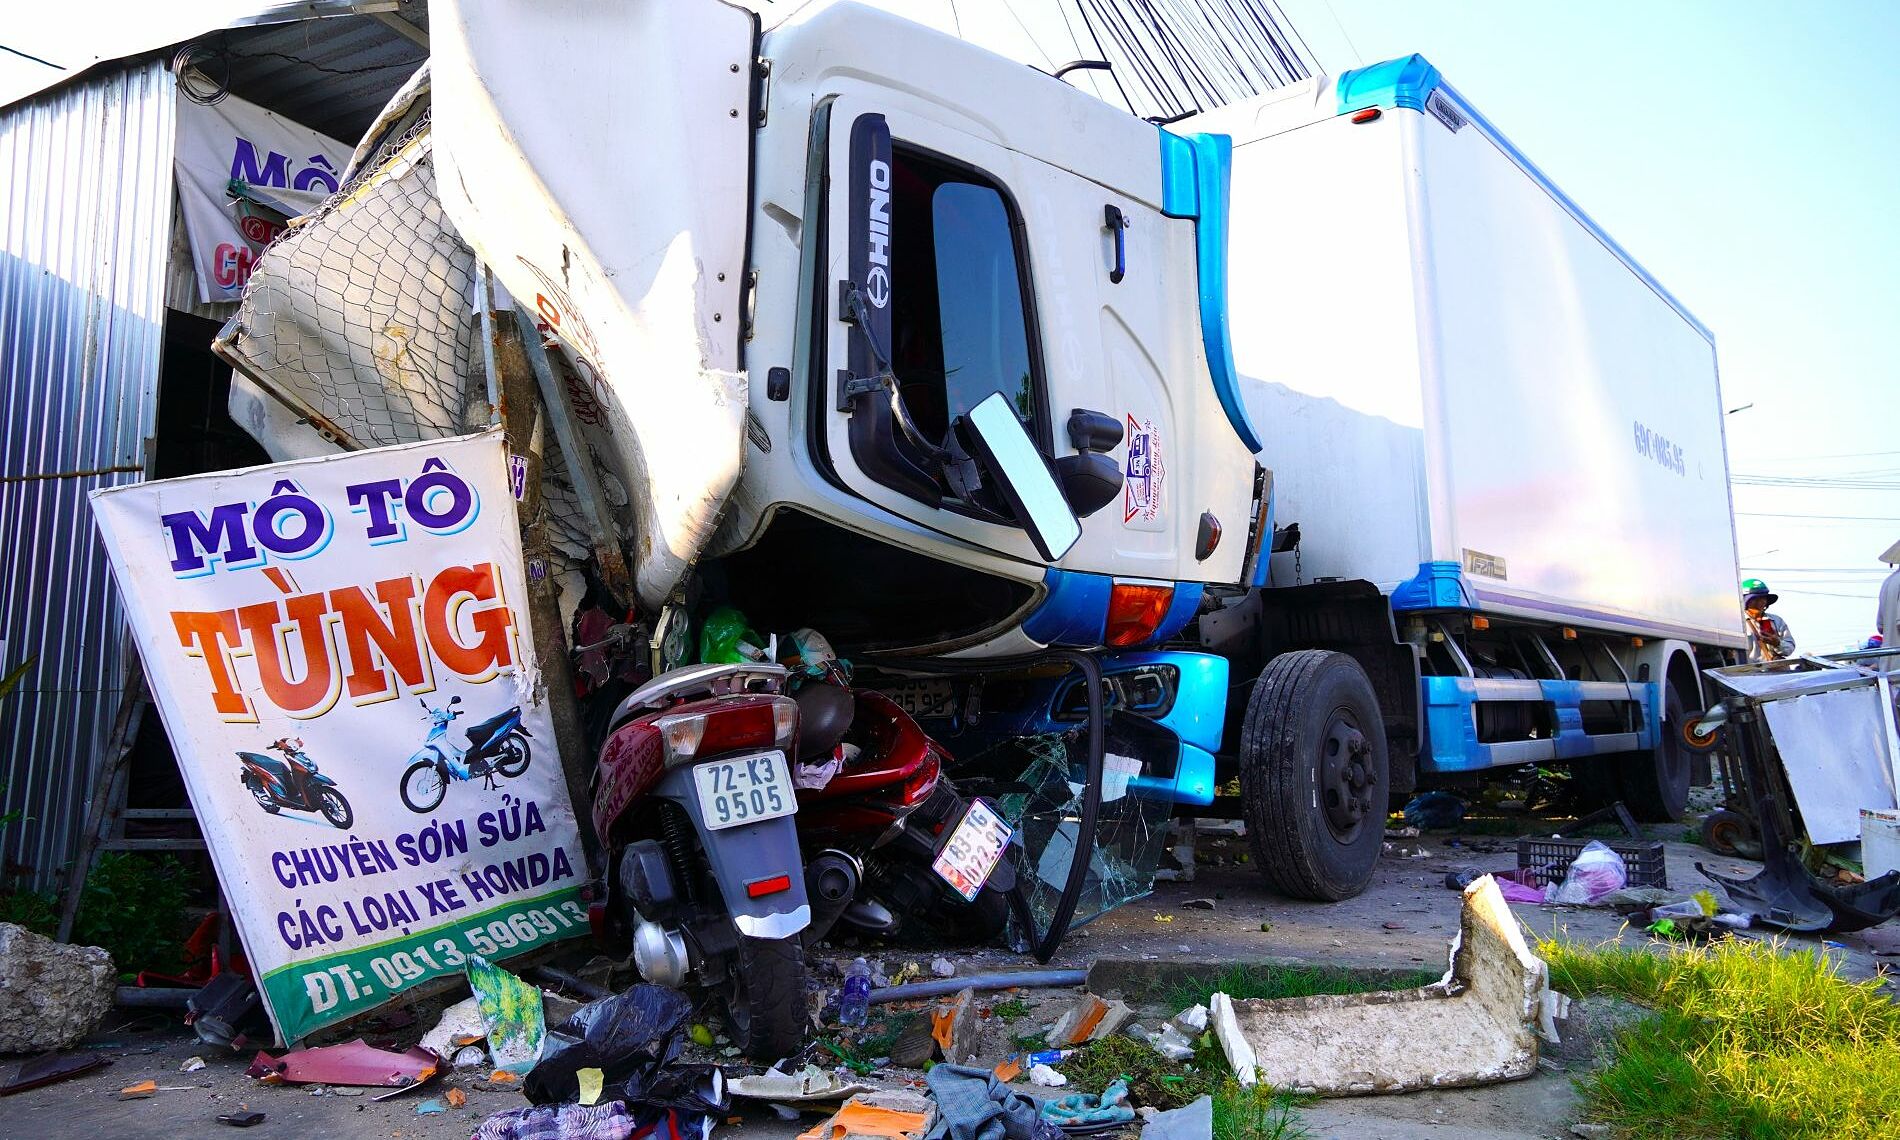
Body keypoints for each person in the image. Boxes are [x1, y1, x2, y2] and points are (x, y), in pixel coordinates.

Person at [1741, 579, 1796, 663]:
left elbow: (1789, 649)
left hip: (1774, 671)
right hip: (1747, 673)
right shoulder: (1738, 623)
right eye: (1755, 599)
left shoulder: (1777, 621)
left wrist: (1777, 643)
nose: (1761, 602)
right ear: (1744, 601)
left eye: (1763, 598)